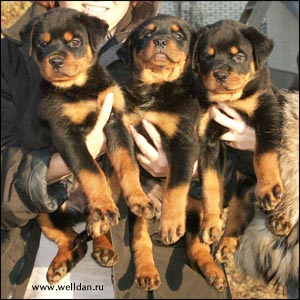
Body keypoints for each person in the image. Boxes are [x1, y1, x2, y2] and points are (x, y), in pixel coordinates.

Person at [1, 1, 256, 299]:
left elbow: (252, 177)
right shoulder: (11, 54)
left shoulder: (187, 55)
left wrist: (190, 170)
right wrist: (64, 163)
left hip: (158, 267)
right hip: (35, 260)